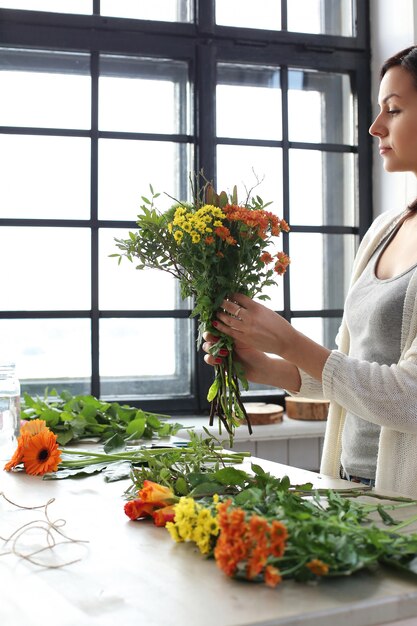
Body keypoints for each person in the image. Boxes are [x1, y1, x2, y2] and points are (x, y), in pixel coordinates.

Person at [203, 45, 417, 499]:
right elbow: (354, 369)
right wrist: (265, 364)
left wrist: (288, 341)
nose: (375, 126)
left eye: (393, 110)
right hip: (349, 481)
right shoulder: (384, 229)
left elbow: (409, 399)